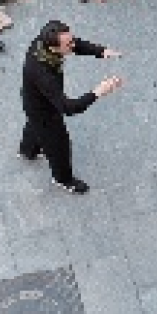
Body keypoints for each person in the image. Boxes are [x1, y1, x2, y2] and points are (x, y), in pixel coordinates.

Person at [19, 20, 122, 195]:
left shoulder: (43, 43)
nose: (73, 45)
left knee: (34, 125)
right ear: (53, 48)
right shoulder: (40, 72)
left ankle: (28, 150)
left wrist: (101, 51)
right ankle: (63, 179)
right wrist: (98, 91)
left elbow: (76, 44)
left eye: (71, 39)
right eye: (68, 44)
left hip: (34, 101)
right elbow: (68, 107)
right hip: (45, 110)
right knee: (59, 145)